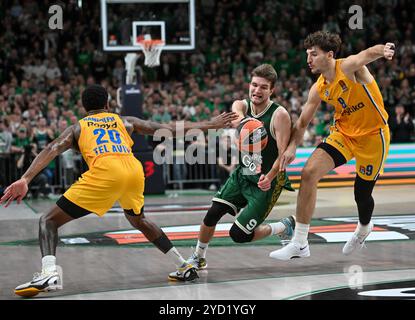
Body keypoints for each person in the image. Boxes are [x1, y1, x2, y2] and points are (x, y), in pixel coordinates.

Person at [0, 84, 238, 297]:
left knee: (48, 220)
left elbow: (52, 147)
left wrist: (25, 178)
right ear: (107, 104)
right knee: (139, 220)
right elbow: (165, 128)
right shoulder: (124, 121)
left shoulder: (79, 127)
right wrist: (210, 124)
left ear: (84, 107)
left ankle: (49, 272)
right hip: (133, 170)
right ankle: (184, 265)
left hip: (106, 171)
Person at [269, 31, 395, 260]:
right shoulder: (318, 88)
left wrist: (383, 49)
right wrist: (292, 146)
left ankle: (364, 227)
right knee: (308, 173)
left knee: (362, 195)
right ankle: (299, 242)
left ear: (329, 55)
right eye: (307, 54)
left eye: (313, 54)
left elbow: (367, 54)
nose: (308, 59)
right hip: (344, 134)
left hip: (374, 137)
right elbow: (302, 122)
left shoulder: (347, 67)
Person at [186, 64, 296, 270]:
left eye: (263, 87)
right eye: (254, 85)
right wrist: (245, 121)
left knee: (238, 235)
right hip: (243, 174)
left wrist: (270, 176)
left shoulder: (279, 115)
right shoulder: (243, 105)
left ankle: (284, 226)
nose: (257, 90)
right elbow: (237, 108)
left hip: (267, 181)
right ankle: (198, 256)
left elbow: (283, 155)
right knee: (212, 213)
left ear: (272, 90)